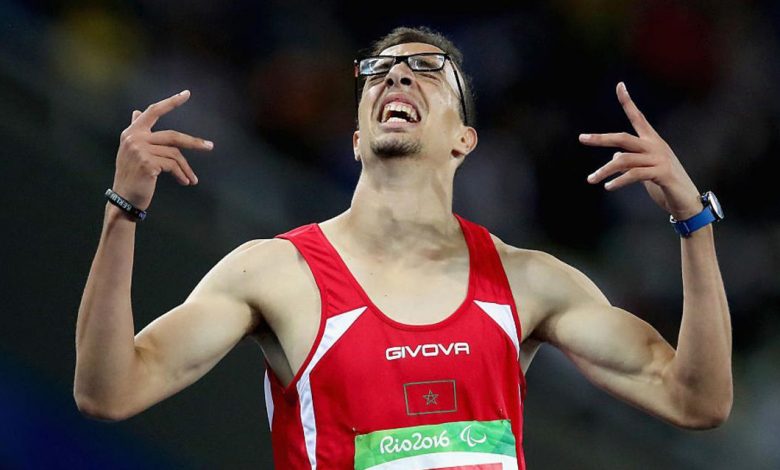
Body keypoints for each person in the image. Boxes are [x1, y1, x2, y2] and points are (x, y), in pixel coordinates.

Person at [74, 26, 732, 469]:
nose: (397, 78)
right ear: (357, 137)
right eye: (380, 72)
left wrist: (693, 223)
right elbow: (109, 391)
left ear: (464, 139)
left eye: (426, 71)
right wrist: (122, 211)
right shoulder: (274, 273)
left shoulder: (529, 282)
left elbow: (696, 401)